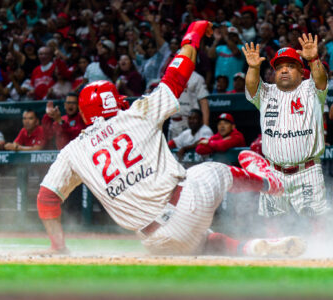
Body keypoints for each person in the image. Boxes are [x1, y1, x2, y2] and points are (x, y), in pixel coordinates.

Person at [35, 21, 305, 257]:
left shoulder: (72, 151)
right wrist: (193, 33)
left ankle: (247, 248)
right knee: (212, 170)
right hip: (186, 206)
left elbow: (46, 199)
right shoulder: (136, 114)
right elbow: (177, 75)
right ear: (114, 103)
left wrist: (58, 247)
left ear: (84, 114)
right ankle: (270, 183)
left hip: (154, 240)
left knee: (198, 241)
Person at [241, 35, 329, 236]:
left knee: (317, 220)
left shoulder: (311, 90)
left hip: (306, 169)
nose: (284, 70)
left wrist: (314, 59)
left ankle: (322, 256)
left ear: (300, 71)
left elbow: (321, 80)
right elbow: (252, 88)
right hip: (274, 170)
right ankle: (275, 257)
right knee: (273, 223)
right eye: (279, 67)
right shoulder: (267, 93)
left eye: (290, 66)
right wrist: (254, 68)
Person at [168, 71, 210, 139]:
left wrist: (205, 128)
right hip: (173, 122)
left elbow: (204, 102)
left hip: (189, 122)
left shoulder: (196, 78)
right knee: (171, 148)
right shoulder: (170, 76)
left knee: (189, 148)